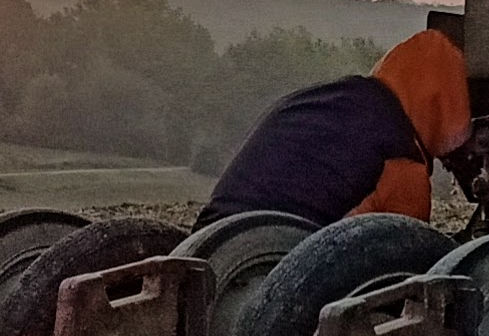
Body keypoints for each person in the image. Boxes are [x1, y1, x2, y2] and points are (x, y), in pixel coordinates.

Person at [195, 30, 471, 230]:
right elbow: (407, 255)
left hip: (211, 240)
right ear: (446, 103)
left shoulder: (328, 98)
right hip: (274, 263)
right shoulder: (400, 156)